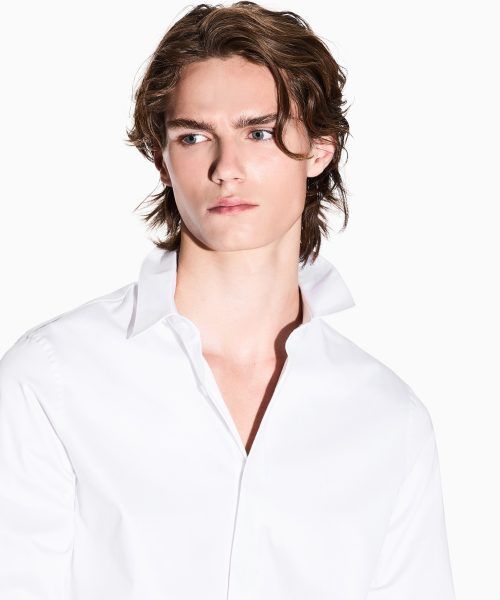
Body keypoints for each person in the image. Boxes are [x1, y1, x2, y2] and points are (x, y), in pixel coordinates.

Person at [0, 2, 456, 598]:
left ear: (320, 148)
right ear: (162, 159)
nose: (226, 168)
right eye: (194, 137)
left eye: (259, 133)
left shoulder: (388, 420)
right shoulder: (53, 378)